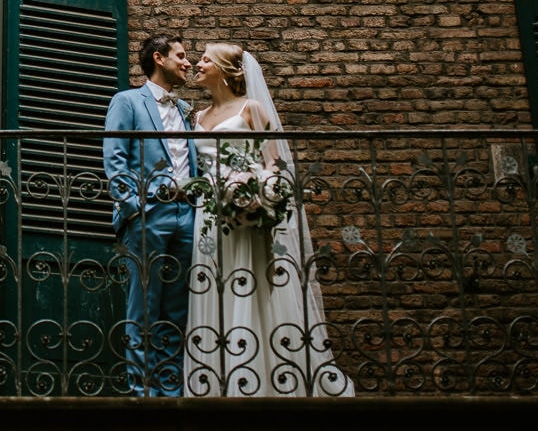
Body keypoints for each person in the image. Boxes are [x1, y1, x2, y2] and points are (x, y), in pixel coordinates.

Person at [183, 42, 354, 398]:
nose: (197, 64)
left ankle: (265, 384)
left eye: (204, 59)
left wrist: (262, 195)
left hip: (249, 216)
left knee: (254, 287)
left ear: (227, 70)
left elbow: (275, 166)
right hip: (210, 218)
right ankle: (217, 385)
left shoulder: (252, 110)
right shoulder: (195, 117)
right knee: (215, 287)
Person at [103, 33, 197, 396]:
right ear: (159, 58)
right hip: (148, 215)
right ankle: (144, 395)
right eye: (181, 56)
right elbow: (115, 157)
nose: (187, 63)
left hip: (186, 215)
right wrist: (133, 209)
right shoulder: (127, 101)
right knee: (143, 308)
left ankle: (170, 392)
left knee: (176, 312)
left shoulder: (186, 109)